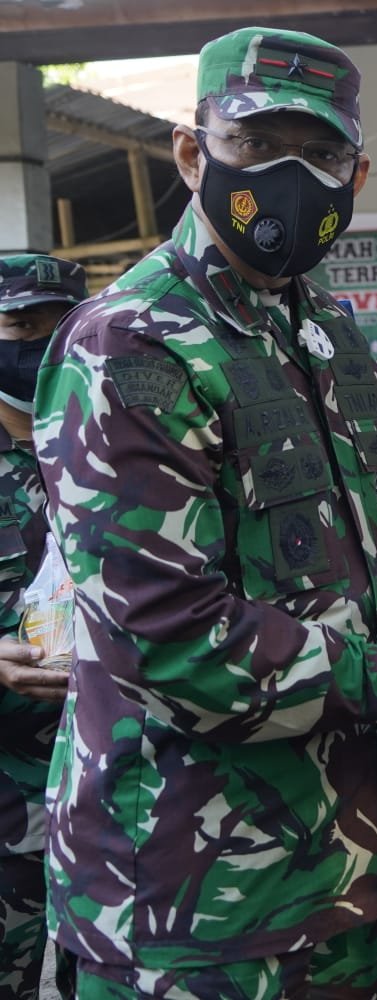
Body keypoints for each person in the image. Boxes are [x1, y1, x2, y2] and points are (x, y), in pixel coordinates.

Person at [34, 27, 377, 999]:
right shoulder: (130, 348)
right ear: (193, 154)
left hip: (335, 867)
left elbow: (344, 515)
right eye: (258, 145)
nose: (292, 178)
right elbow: (168, 638)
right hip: (185, 902)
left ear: (359, 172)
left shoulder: (320, 324)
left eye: (320, 155)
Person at [0, 254, 86, 1000]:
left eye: (57, 324)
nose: (39, 345)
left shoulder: (117, 446)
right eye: (17, 325)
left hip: (116, 780)